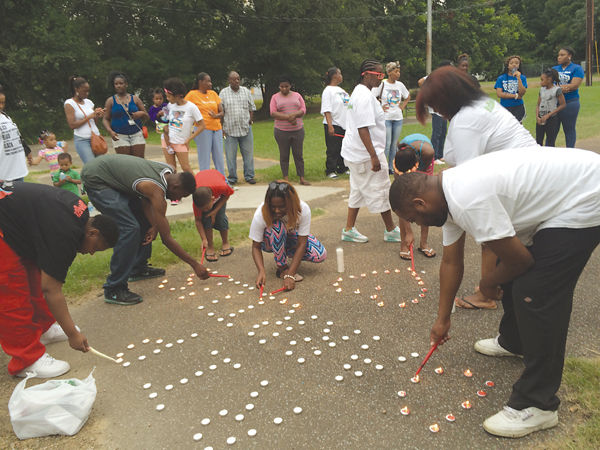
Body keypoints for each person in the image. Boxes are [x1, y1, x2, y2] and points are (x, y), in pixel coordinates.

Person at [389, 147, 600, 439]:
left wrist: (487, 284)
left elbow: (521, 261)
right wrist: (442, 319)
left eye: (413, 219)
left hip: (586, 195)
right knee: (507, 269)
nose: (418, 225)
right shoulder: (446, 196)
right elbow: (451, 263)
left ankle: (538, 404)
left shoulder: (466, 199)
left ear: (420, 203)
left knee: (536, 292)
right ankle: (515, 341)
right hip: (566, 193)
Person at [416, 66, 537, 309]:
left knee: (491, 232)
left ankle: (487, 293)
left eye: (434, 104)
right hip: (518, 173)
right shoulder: (479, 105)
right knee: (492, 229)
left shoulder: (466, 121)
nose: (435, 111)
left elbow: (468, 180)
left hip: (520, 181)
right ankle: (494, 286)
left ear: (446, 99)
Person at [0, 183, 118, 378]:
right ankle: (26, 360)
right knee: (11, 293)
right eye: (96, 248)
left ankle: (44, 328)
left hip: (13, 225)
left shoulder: (80, 213)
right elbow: (51, 290)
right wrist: (72, 334)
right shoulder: (66, 233)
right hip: (3, 228)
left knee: (32, 276)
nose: (90, 253)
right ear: (92, 233)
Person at [81, 154, 209, 305]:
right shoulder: (155, 189)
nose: (178, 199)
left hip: (110, 174)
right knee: (129, 228)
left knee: (144, 224)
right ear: (175, 187)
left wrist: (153, 225)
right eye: (181, 195)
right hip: (97, 179)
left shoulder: (169, 170)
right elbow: (167, 239)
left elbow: (145, 201)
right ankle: (114, 288)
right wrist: (195, 265)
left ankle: (137, 268)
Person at [340, 59, 402, 244]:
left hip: (356, 153)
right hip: (366, 154)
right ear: (366, 74)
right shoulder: (364, 96)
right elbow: (363, 128)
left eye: (382, 75)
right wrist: (374, 156)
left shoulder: (360, 92)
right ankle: (391, 230)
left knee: (357, 190)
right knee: (381, 189)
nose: (380, 78)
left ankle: (349, 229)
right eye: (378, 75)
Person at [250, 180, 326, 292]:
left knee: (319, 254)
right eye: (273, 207)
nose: (277, 211)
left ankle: (287, 258)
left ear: (291, 203)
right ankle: (282, 267)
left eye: (282, 207)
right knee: (277, 227)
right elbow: (256, 246)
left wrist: (291, 274)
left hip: (289, 238)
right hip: (268, 242)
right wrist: (261, 271)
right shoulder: (261, 213)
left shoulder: (303, 209)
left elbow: (302, 243)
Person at [393, 134, 435, 260]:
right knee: (404, 199)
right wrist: (409, 232)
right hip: (408, 159)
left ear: (416, 165)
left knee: (425, 201)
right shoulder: (399, 161)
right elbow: (400, 204)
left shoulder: (428, 153)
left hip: (423, 160)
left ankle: (424, 243)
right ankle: (404, 244)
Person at [270, 76, 310, 185]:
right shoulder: (275, 97)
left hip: (298, 130)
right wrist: (288, 117)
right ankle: (286, 178)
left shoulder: (297, 95)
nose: (284, 89)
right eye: (281, 87)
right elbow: (273, 112)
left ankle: (301, 178)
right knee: (284, 155)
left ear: (290, 86)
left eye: (286, 86)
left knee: (298, 155)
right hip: (281, 131)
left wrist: (294, 115)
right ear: (279, 87)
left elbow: (303, 109)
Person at [162, 77, 205, 178]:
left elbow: (202, 125)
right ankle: (173, 187)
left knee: (186, 168)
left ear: (178, 95)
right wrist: (164, 127)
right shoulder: (170, 105)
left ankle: (198, 186)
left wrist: (189, 139)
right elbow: (166, 121)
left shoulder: (191, 107)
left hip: (181, 142)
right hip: (167, 140)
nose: (167, 99)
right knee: (171, 169)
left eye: (169, 96)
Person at [220, 71, 257, 185]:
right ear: (229, 80)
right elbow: (221, 111)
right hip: (229, 130)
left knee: (248, 155)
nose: (236, 81)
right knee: (230, 156)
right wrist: (221, 128)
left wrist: (250, 120)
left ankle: (249, 176)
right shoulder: (223, 93)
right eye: (234, 79)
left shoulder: (246, 91)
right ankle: (232, 178)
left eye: (238, 79)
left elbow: (251, 108)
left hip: (245, 129)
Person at [373, 61, 410, 173]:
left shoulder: (400, 85)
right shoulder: (382, 84)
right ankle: (383, 167)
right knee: (387, 144)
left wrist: (402, 106)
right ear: (389, 73)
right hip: (386, 118)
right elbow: (372, 97)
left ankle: (391, 167)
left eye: (399, 71)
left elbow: (407, 96)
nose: (398, 74)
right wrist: (380, 107)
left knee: (394, 145)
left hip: (398, 118)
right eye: (396, 71)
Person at [185, 72, 225, 175]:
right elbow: (184, 109)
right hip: (203, 130)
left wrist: (216, 116)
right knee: (204, 157)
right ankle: (204, 179)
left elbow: (222, 112)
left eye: (210, 81)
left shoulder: (213, 94)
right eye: (208, 81)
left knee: (219, 156)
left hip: (217, 129)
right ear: (200, 82)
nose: (210, 83)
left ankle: (223, 180)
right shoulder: (192, 95)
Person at [102, 72, 149, 158]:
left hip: (137, 134)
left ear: (126, 84)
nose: (118, 86)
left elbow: (147, 116)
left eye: (121, 83)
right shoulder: (110, 101)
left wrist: (141, 113)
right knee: (126, 162)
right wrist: (110, 131)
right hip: (119, 136)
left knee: (139, 161)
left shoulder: (135, 99)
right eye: (116, 84)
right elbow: (106, 119)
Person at [192, 169, 234, 262]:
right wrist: (204, 239)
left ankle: (225, 242)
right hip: (203, 185)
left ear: (213, 199)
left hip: (217, 186)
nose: (205, 210)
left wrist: (214, 211)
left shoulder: (222, 187)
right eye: (202, 209)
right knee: (206, 219)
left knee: (221, 217)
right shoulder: (197, 202)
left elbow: (227, 195)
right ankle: (210, 246)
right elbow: (198, 221)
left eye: (206, 208)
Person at [64, 76, 104, 164]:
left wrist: (97, 115)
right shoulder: (69, 103)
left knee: (101, 165)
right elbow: (72, 125)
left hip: (96, 137)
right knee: (91, 166)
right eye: (84, 91)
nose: (87, 93)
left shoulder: (89, 102)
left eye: (88, 91)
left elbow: (94, 123)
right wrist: (89, 116)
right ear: (76, 89)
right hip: (82, 139)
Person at [418, 60, 452, 163]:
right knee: (436, 133)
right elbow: (420, 82)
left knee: (443, 132)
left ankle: (440, 155)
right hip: (436, 110)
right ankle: (434, 157)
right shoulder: (434, 76)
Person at [320, 67, 349, 178]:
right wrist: (330, 126)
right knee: (333, 149)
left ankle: (342, 167)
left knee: (343, 147)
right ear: (334, 76)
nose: (341, 76)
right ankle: (330, 170)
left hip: (344, 124)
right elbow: (327, 109)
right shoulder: (328, 91)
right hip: (334, 123)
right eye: (339, 73)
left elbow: (349, 105)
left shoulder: (341, 90)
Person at [553, 47, 584, 148]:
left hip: (570, 103)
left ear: (569, 56)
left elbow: (574, 85)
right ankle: (549, 152)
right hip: (554, 104)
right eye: (558, 55)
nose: (559, 57)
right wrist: (563, 88)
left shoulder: (576, 68)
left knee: (569, 129)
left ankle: (570, 152)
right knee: (551, 130)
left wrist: (556, 88)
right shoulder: (554, 69)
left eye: (562, 55)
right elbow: (547, 85)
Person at [0, 87, 30, 189]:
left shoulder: (5, 116)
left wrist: (27, 151)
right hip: (4, 174)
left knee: (20, 198)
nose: (1, 106)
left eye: (3, 103)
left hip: (17, 170)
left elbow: (16, 136)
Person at [536, 68, 566, 147]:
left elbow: (563, 104)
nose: (540, 82)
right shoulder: (542, 90)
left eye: (542, 80)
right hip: (541, 118)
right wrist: (537, 117)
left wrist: (549, 115)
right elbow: (538, 104)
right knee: (538, 141)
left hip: (551, 119)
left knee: (550, 141)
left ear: (549, 79)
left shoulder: (556, 90)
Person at [494, 55, 528, 122]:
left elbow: (522, 93)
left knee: (518, 125)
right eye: (511, 63)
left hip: (518, 106)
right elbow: (499, 94)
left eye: (516, 63)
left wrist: (518, 78)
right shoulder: (501, 78)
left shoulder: (522, 77)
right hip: (505, 107)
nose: (514, 65)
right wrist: (515, 96)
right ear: (508, 65)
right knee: (505, 125)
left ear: (519, 65)